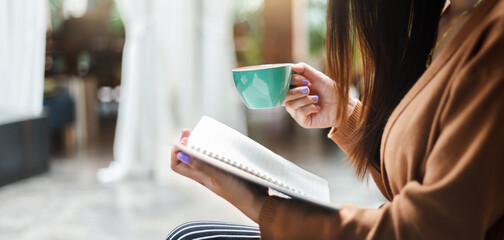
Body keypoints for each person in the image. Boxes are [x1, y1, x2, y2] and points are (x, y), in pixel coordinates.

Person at [167, 0, 504, 239]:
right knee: (190, 232)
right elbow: (419, 176)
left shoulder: (493, 40)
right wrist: (344, 113)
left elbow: (426, 230)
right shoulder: (447, 17)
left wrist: (259, 204)